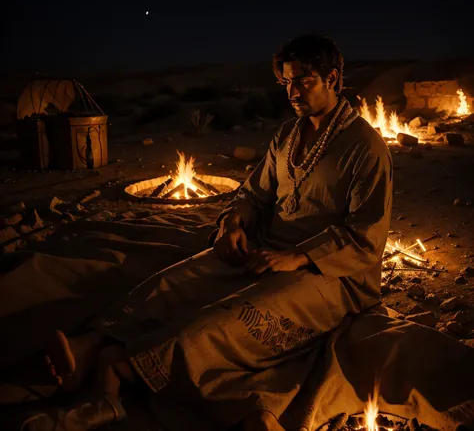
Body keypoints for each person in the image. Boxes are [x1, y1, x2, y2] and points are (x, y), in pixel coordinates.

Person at [25, 34, 393, 431]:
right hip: (267, 248)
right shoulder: (288, 134)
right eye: (286, 82)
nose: (293, 91)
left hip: (331, 275)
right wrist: (234, 222)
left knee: (225, 320)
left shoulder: (365, 147)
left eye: (303, 81)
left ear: (333, 79)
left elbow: (366, 236)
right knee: (177, 280)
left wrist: (298, 257)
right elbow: (254, 192)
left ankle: (115, 380)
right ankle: (92, 345)